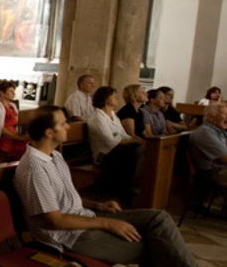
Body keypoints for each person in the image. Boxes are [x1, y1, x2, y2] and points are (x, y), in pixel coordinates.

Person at [14, 106, 196, 266]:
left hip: (84, 218)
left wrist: (97, 206)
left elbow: (65, 199)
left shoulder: (55, 156)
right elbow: (55, 220)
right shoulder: (34, 168)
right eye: (63, 124)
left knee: (158, 218)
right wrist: (107, 223)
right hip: (69, 236)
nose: (68, 126)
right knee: (155, 246)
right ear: (49, 132)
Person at [88, 86, 143, 204]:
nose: (117, 98)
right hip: (104, 154)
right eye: (114, 96)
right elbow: (110, 141)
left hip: (118, 150)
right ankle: (123, 191)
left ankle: (130, 189)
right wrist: (131, 140)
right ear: (105, 99)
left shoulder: (113, 115)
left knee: (137, 150)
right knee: (130, 153)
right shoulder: (98, 117)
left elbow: (124, 135)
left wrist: (133, 140)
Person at [189, 102, 227, 186]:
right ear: (212, 116)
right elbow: (225, 159)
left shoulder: (219, 130)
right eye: (225, 114)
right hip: (212, 173)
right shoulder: (205, 132)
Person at [0, 81, 28, 158]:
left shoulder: (12, 105)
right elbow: (0, 129)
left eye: (14, 91)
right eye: (11, 91)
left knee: (31, 144)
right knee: (26, 148)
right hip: (2, 139)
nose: (14, 94)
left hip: (13, 136)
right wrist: (19, 137)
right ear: (2, 93)